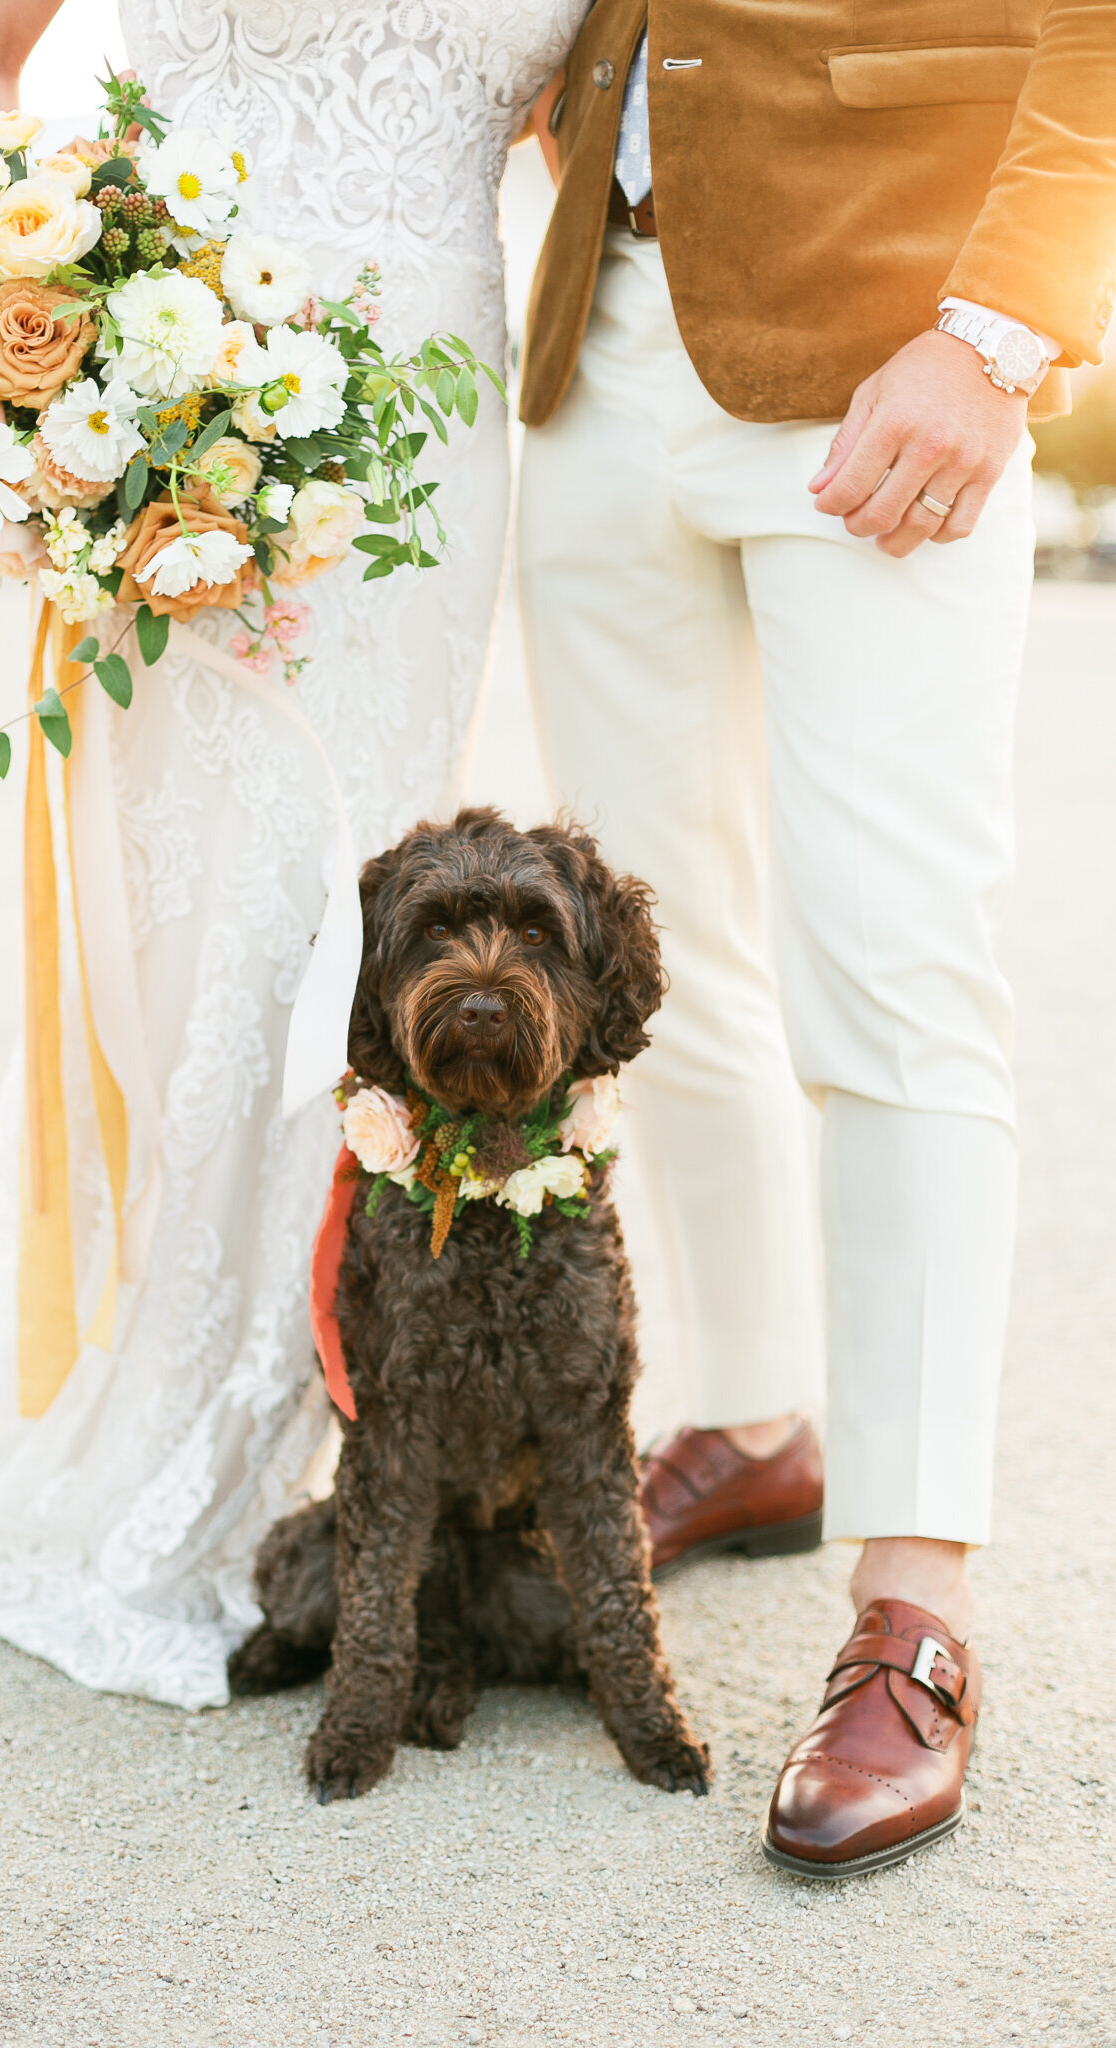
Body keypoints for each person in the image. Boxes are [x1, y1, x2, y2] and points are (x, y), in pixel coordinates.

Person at [0, 0, 588, 1709]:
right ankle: (129, 1396)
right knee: (195, 909)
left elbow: (584, 147)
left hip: (430, 444)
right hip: (174, 404)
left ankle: (306, 1411)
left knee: (351, 924)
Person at [518, 4, 1116, 1875]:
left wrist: (993, 333)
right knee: (643, 959)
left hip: (895, 347)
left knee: (893, 957)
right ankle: (757, 1416)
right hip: (599, 352)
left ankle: (914, 1594)